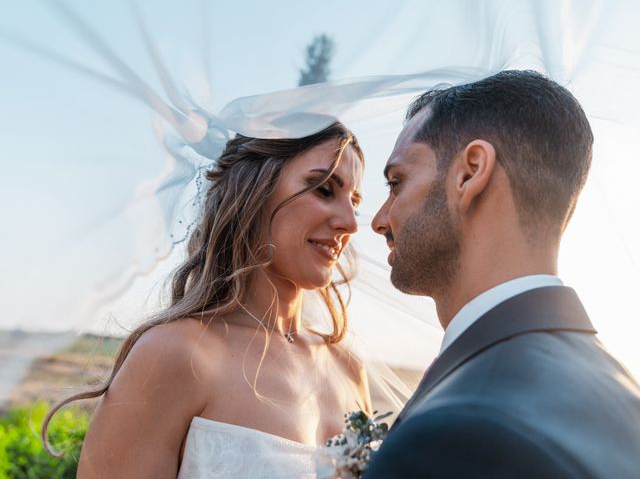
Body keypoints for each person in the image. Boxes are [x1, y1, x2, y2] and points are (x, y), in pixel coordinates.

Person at [43, 122, 371, 478]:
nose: (351, 223)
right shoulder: (176, 354)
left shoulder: (348, 369)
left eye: (354, 201)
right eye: (323, 189)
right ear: (254, 191)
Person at [365, 70, 640, 478]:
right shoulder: (622, 390)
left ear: (470, 172)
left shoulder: (461, 434)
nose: (379, 220)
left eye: (396, 182)